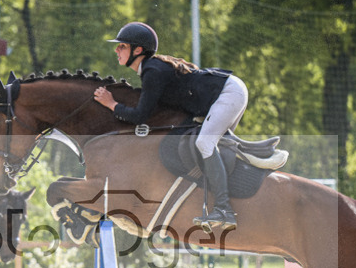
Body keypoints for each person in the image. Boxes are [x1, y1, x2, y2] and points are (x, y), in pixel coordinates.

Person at [93, 22, 248, 232]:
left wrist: (112, 105)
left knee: (205, 143)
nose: (116, 50)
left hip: (228, 93)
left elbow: (140, 116)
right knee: (208, 145)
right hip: (228, 91)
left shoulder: (152, 71)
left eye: (122, 46)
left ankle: (224, 209)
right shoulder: (151, 69)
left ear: (137, 50)